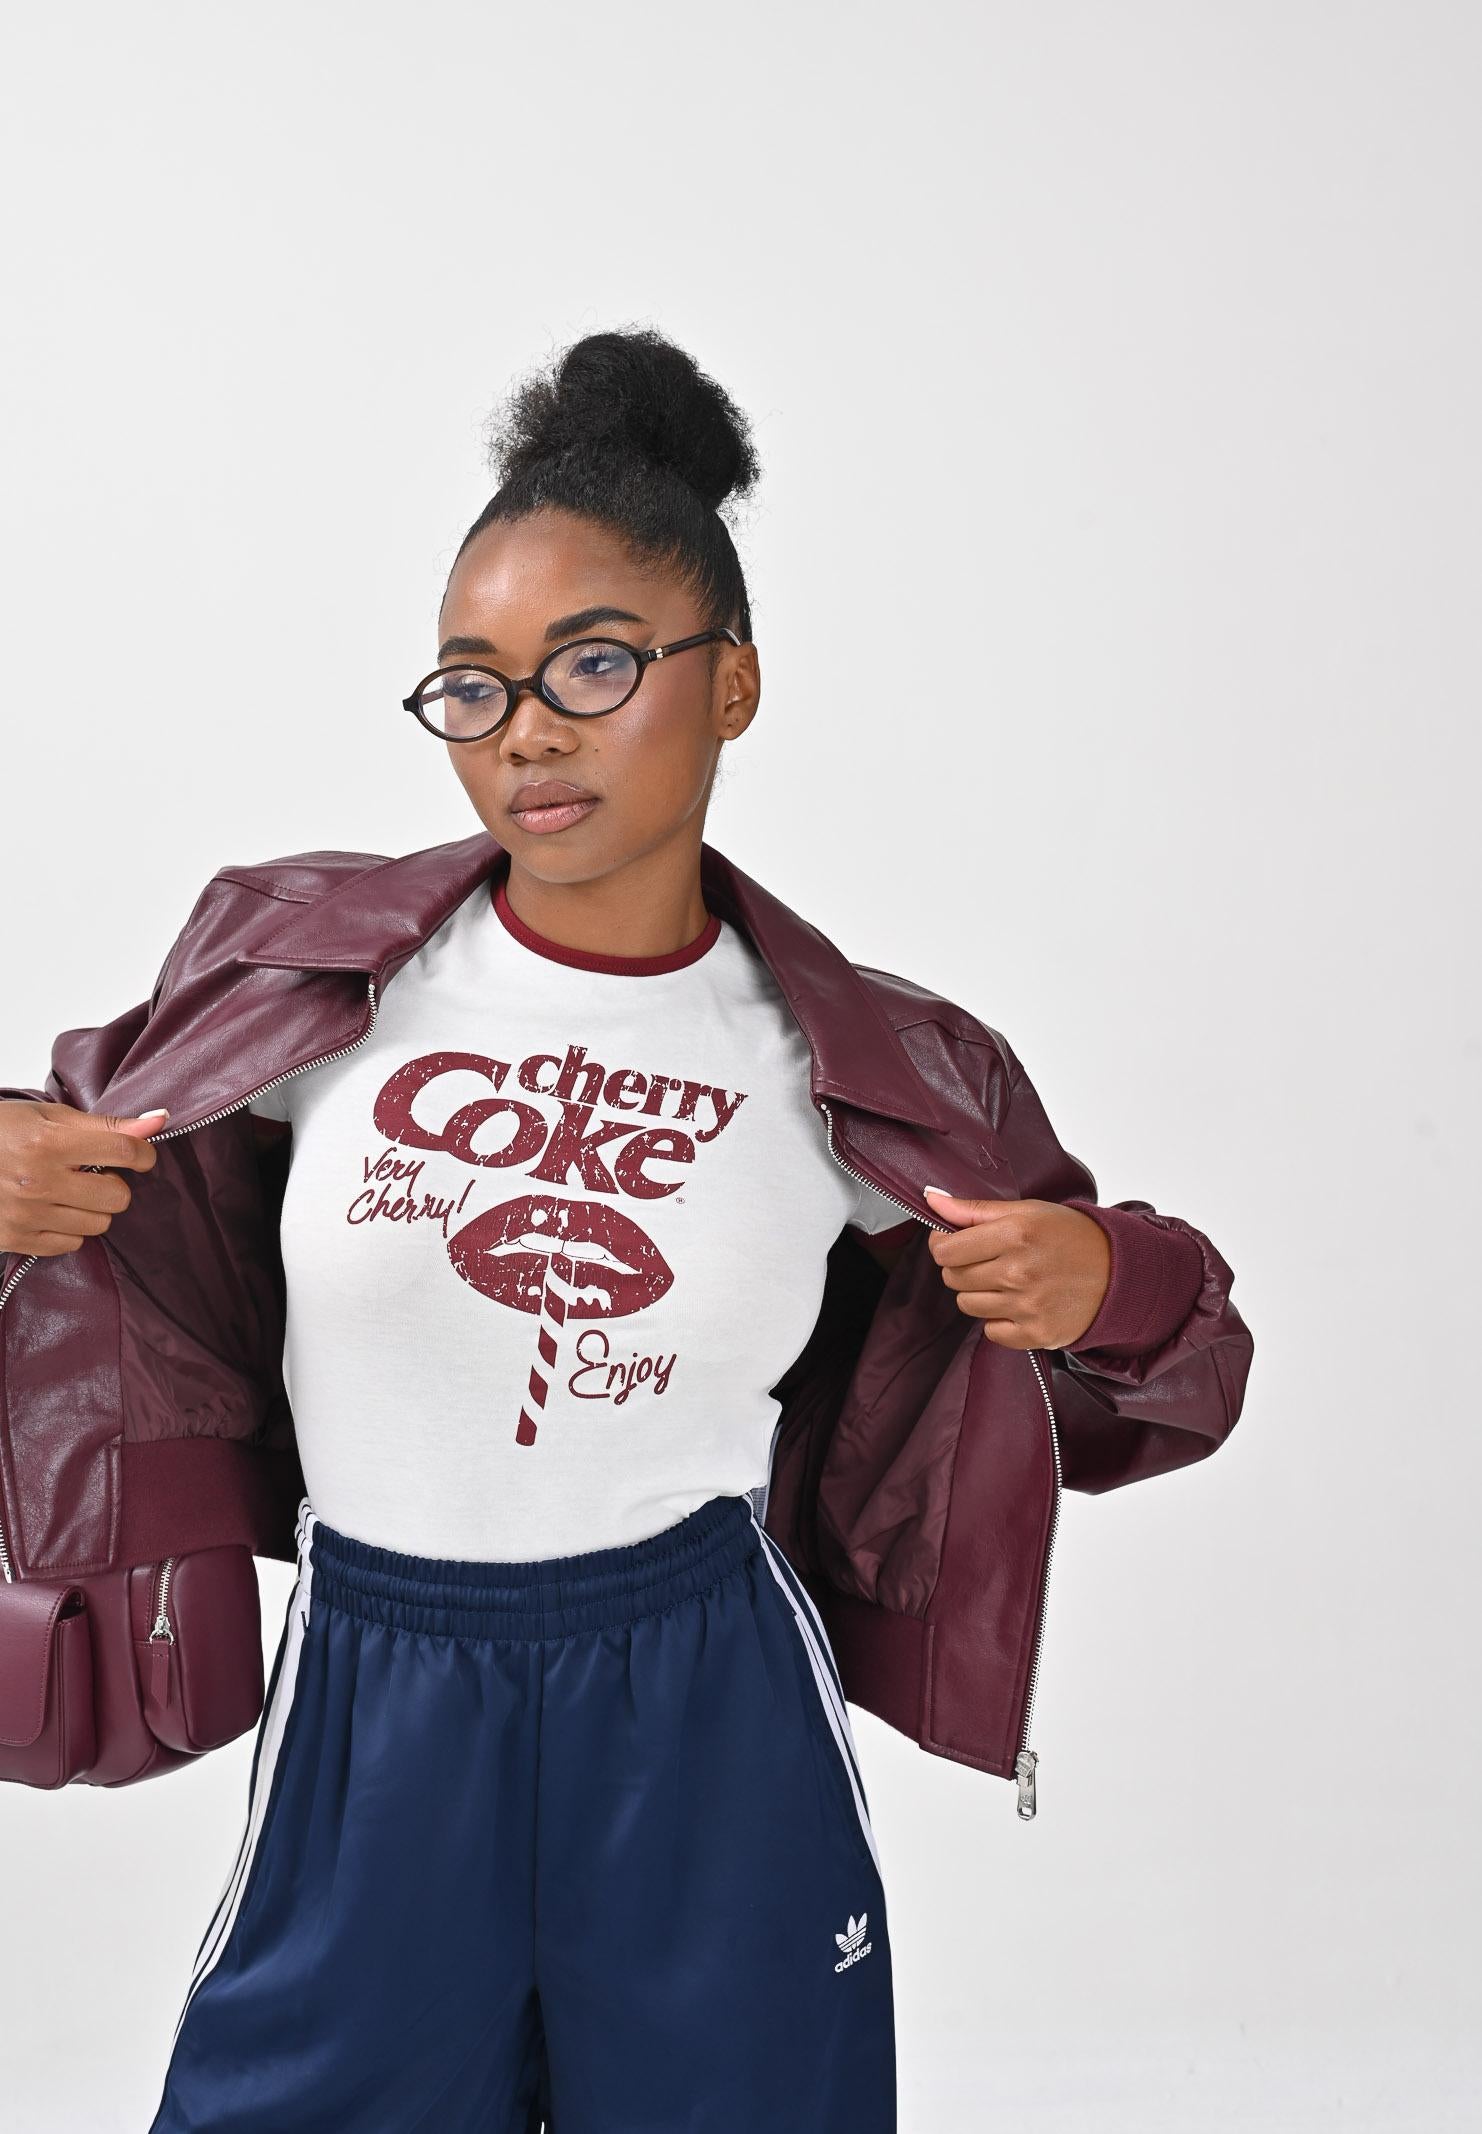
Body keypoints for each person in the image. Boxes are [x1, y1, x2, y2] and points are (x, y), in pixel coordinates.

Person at [0, 327, 1245, 2131]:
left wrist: (1110, 1277)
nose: (528, 732)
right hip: (379, 1687)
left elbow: (1173, 1381)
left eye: (594, 662)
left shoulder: (868, 1067)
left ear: (731, 682)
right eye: (474, 685)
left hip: (700, 1699)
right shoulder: (307, 983)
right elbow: (67, 1159)